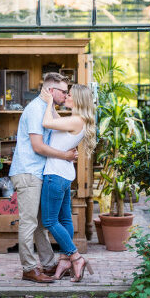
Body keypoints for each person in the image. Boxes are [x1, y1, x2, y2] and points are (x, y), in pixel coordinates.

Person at [8, 72, 77, 283]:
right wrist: (65, 155)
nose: (66, 96)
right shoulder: (35, 110)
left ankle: (48, 264)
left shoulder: (47, 109)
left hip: (37, 173)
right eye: (63, 92)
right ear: (50, 90)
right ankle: (29, 268)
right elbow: (38, 147)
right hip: (28, 172)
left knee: (40, 224)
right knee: (29, 223)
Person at [39, 83, 96, 282]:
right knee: (64, 220)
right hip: (63, 175)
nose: (66, 97)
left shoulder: (76, 120)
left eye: (70, 95)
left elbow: (47, 122)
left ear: (78, 99)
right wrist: (52, 104)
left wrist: (47, 103)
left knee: (49, 221)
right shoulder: (76, 120)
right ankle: (64, 260)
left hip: (55, 175)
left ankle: (75, 256)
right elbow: (55, 120)